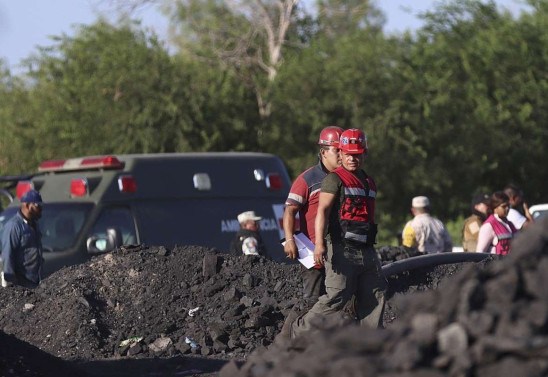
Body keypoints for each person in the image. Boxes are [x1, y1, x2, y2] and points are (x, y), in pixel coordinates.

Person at [290, 128, 386, 339]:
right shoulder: (334, 179)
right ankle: (299, 333)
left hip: (366, 248)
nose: (353, 158)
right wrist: (320, 245)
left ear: (365, 154)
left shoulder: (369, 182)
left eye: (358, 154)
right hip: (341, 247)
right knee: (337, 295)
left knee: (375, 293)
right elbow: (321, 212)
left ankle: (369, 344)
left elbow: (369, 214)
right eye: (349, 154)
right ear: (341, 154)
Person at [283, 125, 343, 306]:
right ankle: (299, 333)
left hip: (339, 251)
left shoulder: (345, 178)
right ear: (324, 152)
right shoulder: (307, 179)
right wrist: (289, 239)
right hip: (313, 253)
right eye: (336, 150)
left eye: (343, 150)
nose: (341, 155)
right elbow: (290, 211)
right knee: (312, 302)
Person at [1, 189, 44, 288]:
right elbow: (7, 254)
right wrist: (12, 284)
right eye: (38, 205)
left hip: (36, 281)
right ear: (27, 205)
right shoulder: (14, 226)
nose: (41, 209)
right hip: (21, 283)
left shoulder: (34, 224)